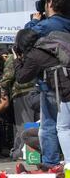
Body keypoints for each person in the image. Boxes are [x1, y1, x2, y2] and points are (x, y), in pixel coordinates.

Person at [23, 0, 70, 166]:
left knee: (50, 126)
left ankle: (52, 164)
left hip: (52, 83)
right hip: (67, 82)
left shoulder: (46, 25)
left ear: (49, 3)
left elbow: (24, 38)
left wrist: (34, 21)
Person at [14, 28, 70, 166]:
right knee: (54, 127)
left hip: (64, 92)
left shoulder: (34, 54)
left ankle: (67, 164)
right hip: (59, 90)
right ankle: (54, 162)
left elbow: (21, 77)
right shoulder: (46, 45)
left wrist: (16, 60)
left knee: (63, 128)